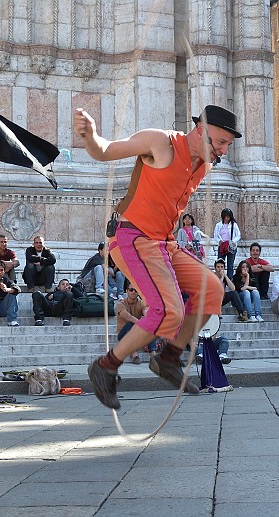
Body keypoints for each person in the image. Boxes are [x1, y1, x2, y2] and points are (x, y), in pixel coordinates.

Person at [74, 104, 238, 409]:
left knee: (212, 289)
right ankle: (106, 366)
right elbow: (105, 150)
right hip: (131, 236)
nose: (224, 151)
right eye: (221, 142)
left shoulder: (204, 165)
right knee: (167, 310)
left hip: (164, 242)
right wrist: (91, 135)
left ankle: (168, 358)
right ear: (201, 131)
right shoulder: (160, 142)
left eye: (228, 144)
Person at [115, 284, 159, 364]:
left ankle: (153, 354)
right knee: (130, 324)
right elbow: (127, 316)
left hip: (137, 332)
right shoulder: (120, 304)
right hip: (124, 334)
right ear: (127, 291)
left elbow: (146, 313)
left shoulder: (141, 303)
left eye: (136, 290)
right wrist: (141, 323)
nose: (133, 292)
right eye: (131, 290)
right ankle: (134, 354)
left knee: (149, 324)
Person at [213, 208, 241, 279]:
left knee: (230, 265)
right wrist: (219, 241)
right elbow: (215, 236)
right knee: (220, 263)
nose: (226, 218)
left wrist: (232, 242)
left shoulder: (234, 225)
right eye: (225, 216)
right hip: (222, 246)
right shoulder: (218, 225)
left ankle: (229, 280)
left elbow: (238, 235)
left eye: (228, 217)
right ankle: (219, 278)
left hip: (231, 247)